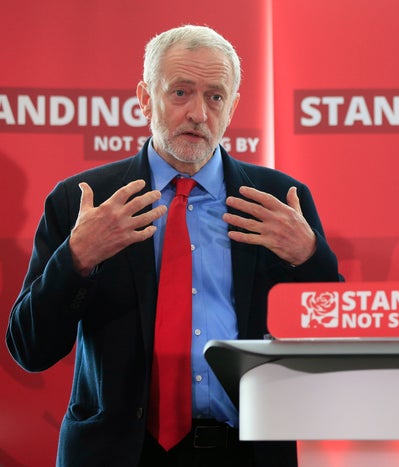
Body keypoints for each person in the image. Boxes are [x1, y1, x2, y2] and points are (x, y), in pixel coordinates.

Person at [6, 25, 340, 467]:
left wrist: (311, 258)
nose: (198, 113)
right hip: (117, 454)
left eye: (215, 96)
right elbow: (31, 349)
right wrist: (76, 259)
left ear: (233, 105)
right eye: (180, 92)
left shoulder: (278, 200)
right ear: (145, 98)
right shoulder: (84, 200)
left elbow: (333, 343)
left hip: (246, 453)